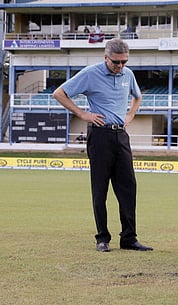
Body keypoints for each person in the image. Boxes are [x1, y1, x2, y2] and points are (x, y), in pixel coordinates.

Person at [53, 38, 153, 253]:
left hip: (121, 136)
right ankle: (102, 238)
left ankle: (129, 238)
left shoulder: (128, 74)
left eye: (124, 62)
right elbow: (59, 93)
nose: (120, 66)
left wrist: (130, 114)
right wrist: (82, 114)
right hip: (100, 137)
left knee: (128, 188)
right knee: (100, 189)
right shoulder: (90, 73)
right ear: (105, 57)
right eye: (116, 62)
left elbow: (137, 96)